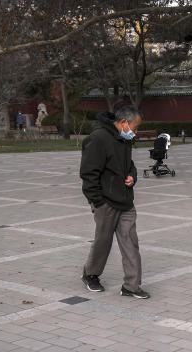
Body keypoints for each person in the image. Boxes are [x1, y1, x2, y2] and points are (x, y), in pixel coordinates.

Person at [79, 107, 150, 299]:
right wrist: (98, 201)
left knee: (130, 243)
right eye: (134, 128)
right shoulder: (98, 138)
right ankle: (90, 274)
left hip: (125, 200)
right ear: (124, 122)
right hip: (105, 202)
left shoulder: (125, 139)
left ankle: (132, 286)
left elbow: (130, 166)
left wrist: (132, 176)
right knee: (103, 241)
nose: (135, 133)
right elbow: (88, 173)